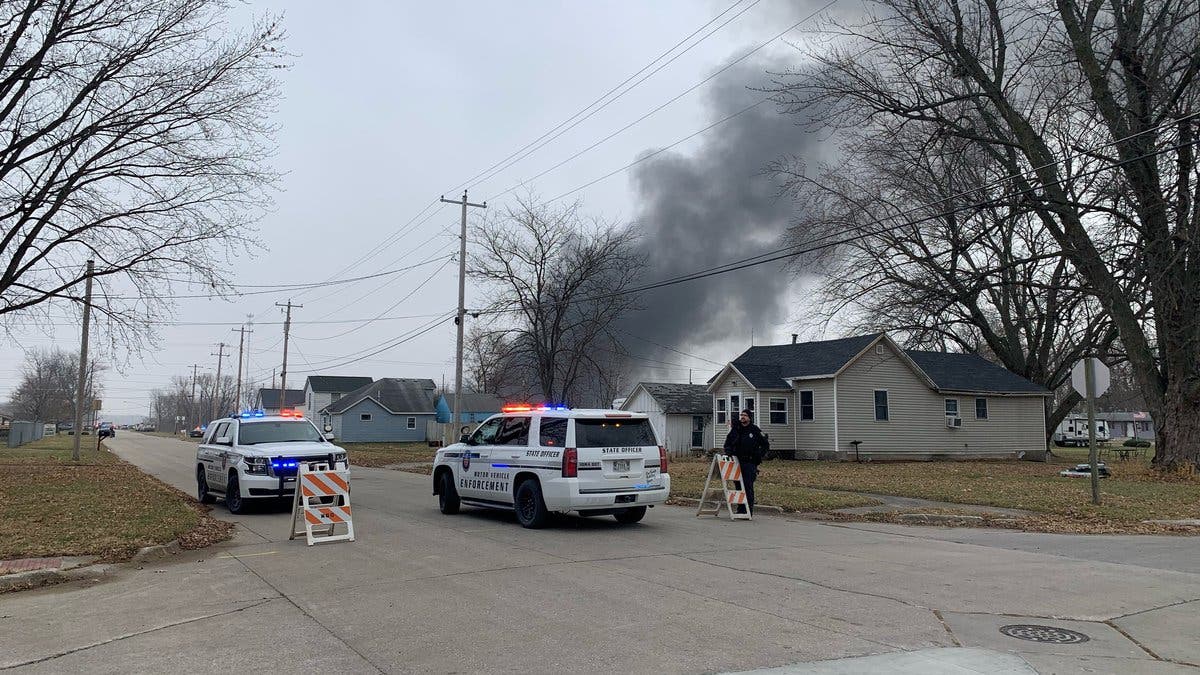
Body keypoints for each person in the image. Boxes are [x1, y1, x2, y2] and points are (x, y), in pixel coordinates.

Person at [722, 408, 768, 513]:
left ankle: (748, 511)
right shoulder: (736, 429)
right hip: (736, 462)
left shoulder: (755, 430)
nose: (742, 417)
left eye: (745, 415)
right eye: (741, 415)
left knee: (748, 487)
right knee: (738, 486)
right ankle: (741, 509)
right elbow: (728, 442)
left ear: (749, 418)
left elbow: (765, 444)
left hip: (750, 463)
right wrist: (728, 452)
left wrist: (759, 455)